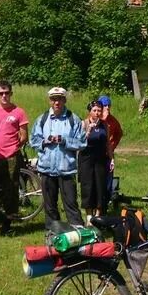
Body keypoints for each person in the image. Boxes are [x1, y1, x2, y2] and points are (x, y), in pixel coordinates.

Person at [30, 87, 86, 227]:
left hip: (66, 169)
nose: (57, 102)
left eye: (60, 99)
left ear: (64, 100)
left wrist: (65, 141)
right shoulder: (42, 119)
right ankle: (53, 232)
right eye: (54, 99)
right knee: (50, 205)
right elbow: (33, 140)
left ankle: (77, 232)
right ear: (50, 101)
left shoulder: (74, 119)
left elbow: (82, 142)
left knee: (71, 204)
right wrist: (44, 141)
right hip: (46, 169)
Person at [0, 80, 29, 234]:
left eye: (7, 93)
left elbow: (24, 136)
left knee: (11, 188)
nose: (4, 96)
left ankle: (8, 222)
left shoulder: (19, 112)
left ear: (11, 93)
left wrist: (13, 148)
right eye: (1, 93)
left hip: (10, 157)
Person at [78, 100, 111, 222]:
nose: (97, 113)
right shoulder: (84, 123)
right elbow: (79, 142)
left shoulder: (104, 125)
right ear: (89, 111)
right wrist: (88, 132)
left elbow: (108, 143)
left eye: (99, 111)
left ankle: (98, 214)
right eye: (95, 110)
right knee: (87, 186)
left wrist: (111, 159)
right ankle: (88, 215)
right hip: (86, 158)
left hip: (101, 158)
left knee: (100, 185)